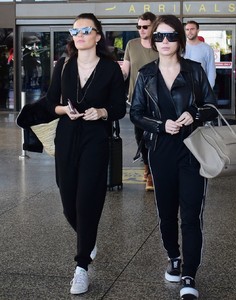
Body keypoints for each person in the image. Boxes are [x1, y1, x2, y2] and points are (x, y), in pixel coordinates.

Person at [130, 14, 217, 300]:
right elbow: (136, 114)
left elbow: (211, 106)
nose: (164, 41)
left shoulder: (193, 70)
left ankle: (190, 273)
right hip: (160, 151)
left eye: (170, 36)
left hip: (192, 148)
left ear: (180, 39)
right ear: (152, 40)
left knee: (191, 214)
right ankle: (174, 257)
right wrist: (159, 125)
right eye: (158, 36)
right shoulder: (146, 74)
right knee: (166, 212)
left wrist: (194, 113)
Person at [45, 13, 126, 295]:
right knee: (68, 202)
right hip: (66, 137)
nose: (79, 35)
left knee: (87, 199)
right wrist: (63, 110)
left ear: (98, 35)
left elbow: (119, 108)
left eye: (86, 30)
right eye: (75, 31)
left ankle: (81, 267)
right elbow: (50, 102)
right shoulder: (64, 66)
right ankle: (87, 239)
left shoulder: (110, 69)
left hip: (95, 139)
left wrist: (102, 111)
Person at [121, 12, 158, 191]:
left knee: (157, 135)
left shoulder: (161, 44)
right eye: (139, 27)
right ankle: (146, 165)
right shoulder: (131, 44)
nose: (141, 30)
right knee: (140, 136)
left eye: (145, 27)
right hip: (137, 100)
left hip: (158, 100)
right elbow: (125, 71)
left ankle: (151, 172)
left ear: (153, 26)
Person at [184, 20, 216, 88]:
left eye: (192, 29)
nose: (189, 32)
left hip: (199, 87)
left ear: (198, 30)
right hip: (182, 87)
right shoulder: (180, 48)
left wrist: (209, 88)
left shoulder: (207, 49)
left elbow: (211, 70)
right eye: (187, 29)